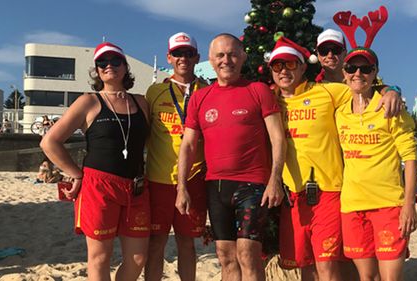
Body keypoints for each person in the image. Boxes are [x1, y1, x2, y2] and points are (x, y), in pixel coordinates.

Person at [268, 35, 402, 281]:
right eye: (277, 65)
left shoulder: (328, 92)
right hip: (293, 197)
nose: (284, 70)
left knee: (328, 266)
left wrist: (391, 90)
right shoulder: (269, 100)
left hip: (329, 192)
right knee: (305, 266)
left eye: (290, 64)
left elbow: (363, 86)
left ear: (302, 66)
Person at [175, 33, 286, 281]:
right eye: (221, 55)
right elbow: (188, 145)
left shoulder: (258, 90)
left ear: (243, 56)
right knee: (225, 255)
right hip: (215, 186)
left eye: (233, 54)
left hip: (253, 184)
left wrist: (274, 179)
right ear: (211, 61)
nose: (227, 60)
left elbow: (278, 138)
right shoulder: (200, 97)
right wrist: (182, 186)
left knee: (248, 254)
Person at [40, 42, 151, 281]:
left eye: (115, 61)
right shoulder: (89, 102)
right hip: (98, 186)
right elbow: (50, 142)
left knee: (138, 258)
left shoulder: (141, 102)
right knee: (100, 257)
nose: (109, 66)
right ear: (97, 70)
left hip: (137, 186)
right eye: (102, 62)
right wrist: (76, 174)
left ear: (125, 66)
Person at [335, 7, 417, 280]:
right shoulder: (339, 111)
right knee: (366, 277)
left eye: (365, 68)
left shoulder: (391, 109)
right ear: (344, 73)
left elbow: (410, 157)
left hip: (389, 205)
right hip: (352, 206)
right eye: (352, 67)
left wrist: (409, 205)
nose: (358, 73)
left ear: (375, 73)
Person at [144, 32, 208, 281]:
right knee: (156, 243)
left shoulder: (207, 90)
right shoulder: (155, 92)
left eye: (189, 53)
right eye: (178, 53)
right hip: (159, 179)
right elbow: (145, 135)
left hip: (193, 179)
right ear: (169, 57)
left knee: (186, 243)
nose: (184, 58)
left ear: (197, 57)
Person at [316, 29, 402, 117]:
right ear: (318, 55)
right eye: (324, 51)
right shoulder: (312, 85)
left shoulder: (358, 80)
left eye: (336, 50)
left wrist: (392, 91)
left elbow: (376, 89)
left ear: (344, 53)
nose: (330, 56)